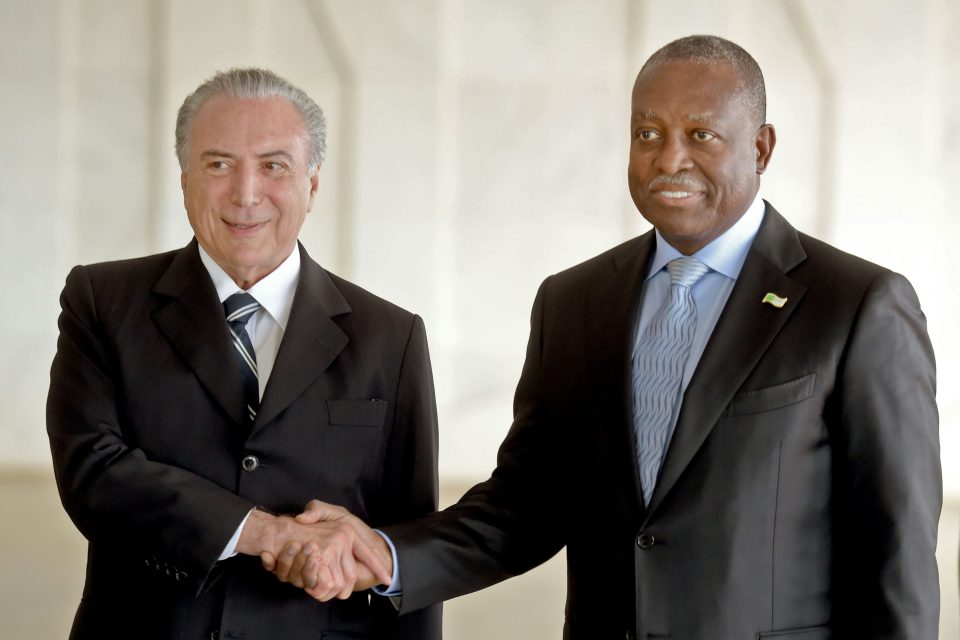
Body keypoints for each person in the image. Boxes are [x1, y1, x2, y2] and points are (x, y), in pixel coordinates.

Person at [269, 35, 943, 639]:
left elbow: (896, 552)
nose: (668, 157)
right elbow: (525, 506)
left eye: (700, 134)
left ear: (761, 147)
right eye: (647, 133)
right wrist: (385, 556)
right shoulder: (575, 302)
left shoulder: (856, 306)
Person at [46, 67, 441, 639]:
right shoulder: (102, 302)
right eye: (218, 164)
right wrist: (265, 533)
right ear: (183, 178)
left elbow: (408, 551)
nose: (246, 193)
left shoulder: (392, 337)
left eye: (274, 165)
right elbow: (94, 473)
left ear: (312, 183)